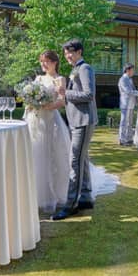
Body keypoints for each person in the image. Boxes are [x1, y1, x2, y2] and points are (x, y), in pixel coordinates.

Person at [24, 50, 118, 213]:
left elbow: (62, 100)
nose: (43, 64)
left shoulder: (60, 79)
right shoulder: (38, 79)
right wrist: (31, 103)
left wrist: (47, 106)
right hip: (37, 121)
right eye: (41, 61)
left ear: (54, 62)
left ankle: (64, 195)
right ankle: (38, 194)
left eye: (46, 61)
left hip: (52, 120)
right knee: (37, 156)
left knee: (60, 157)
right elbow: (31, 98)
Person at [52, 40, 98, 220]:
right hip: (76, 120)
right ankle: (86, 196)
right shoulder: (75, 69)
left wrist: (65, 94)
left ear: (79, 52)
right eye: (65, 54)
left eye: (70, 53)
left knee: (75, 162)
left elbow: (89, 94)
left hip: (83, 120)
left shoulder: (85, 68)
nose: (67, 56)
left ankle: (71, 205)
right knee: (82, 158)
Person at [118, 63, 138, 145]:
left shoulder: (130, 79)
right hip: (125, 104)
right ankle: (122, 140)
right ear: (128, 70)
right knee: (124, 122)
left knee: (129, 123)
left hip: (131, 104)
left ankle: (129, 139)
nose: (133, 72)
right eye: (132, 70)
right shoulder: (123, 79)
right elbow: (128, 91)